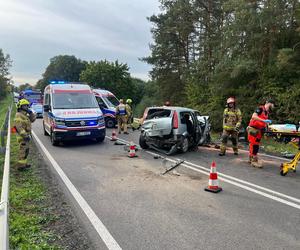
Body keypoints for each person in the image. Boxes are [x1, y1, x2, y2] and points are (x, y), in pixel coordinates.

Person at [247, 100, 274, 168]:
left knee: (255, 144)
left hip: (259, 130)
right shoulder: (260, 109)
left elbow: (264, 123)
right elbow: (253, 116)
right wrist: (263, 120)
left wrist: (267, 127)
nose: (272, 107)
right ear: (268, 103)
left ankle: (251, 158)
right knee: (254, 145)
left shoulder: (266, 112)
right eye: (272, 105)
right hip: (253, 129)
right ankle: (254, 161)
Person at [14, 99, 36, 170]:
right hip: (22, 137)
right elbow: (18, 127)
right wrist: (25, 135)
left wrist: (31, 113)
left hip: (26, 136)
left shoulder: (25, 115)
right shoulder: (18, 115)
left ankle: (24, 164)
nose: (26, 107)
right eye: (24, 106)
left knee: (26, 150)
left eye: (27, 105)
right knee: (23, 151)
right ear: (20, 106)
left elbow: (33, 120)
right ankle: (20, 166)